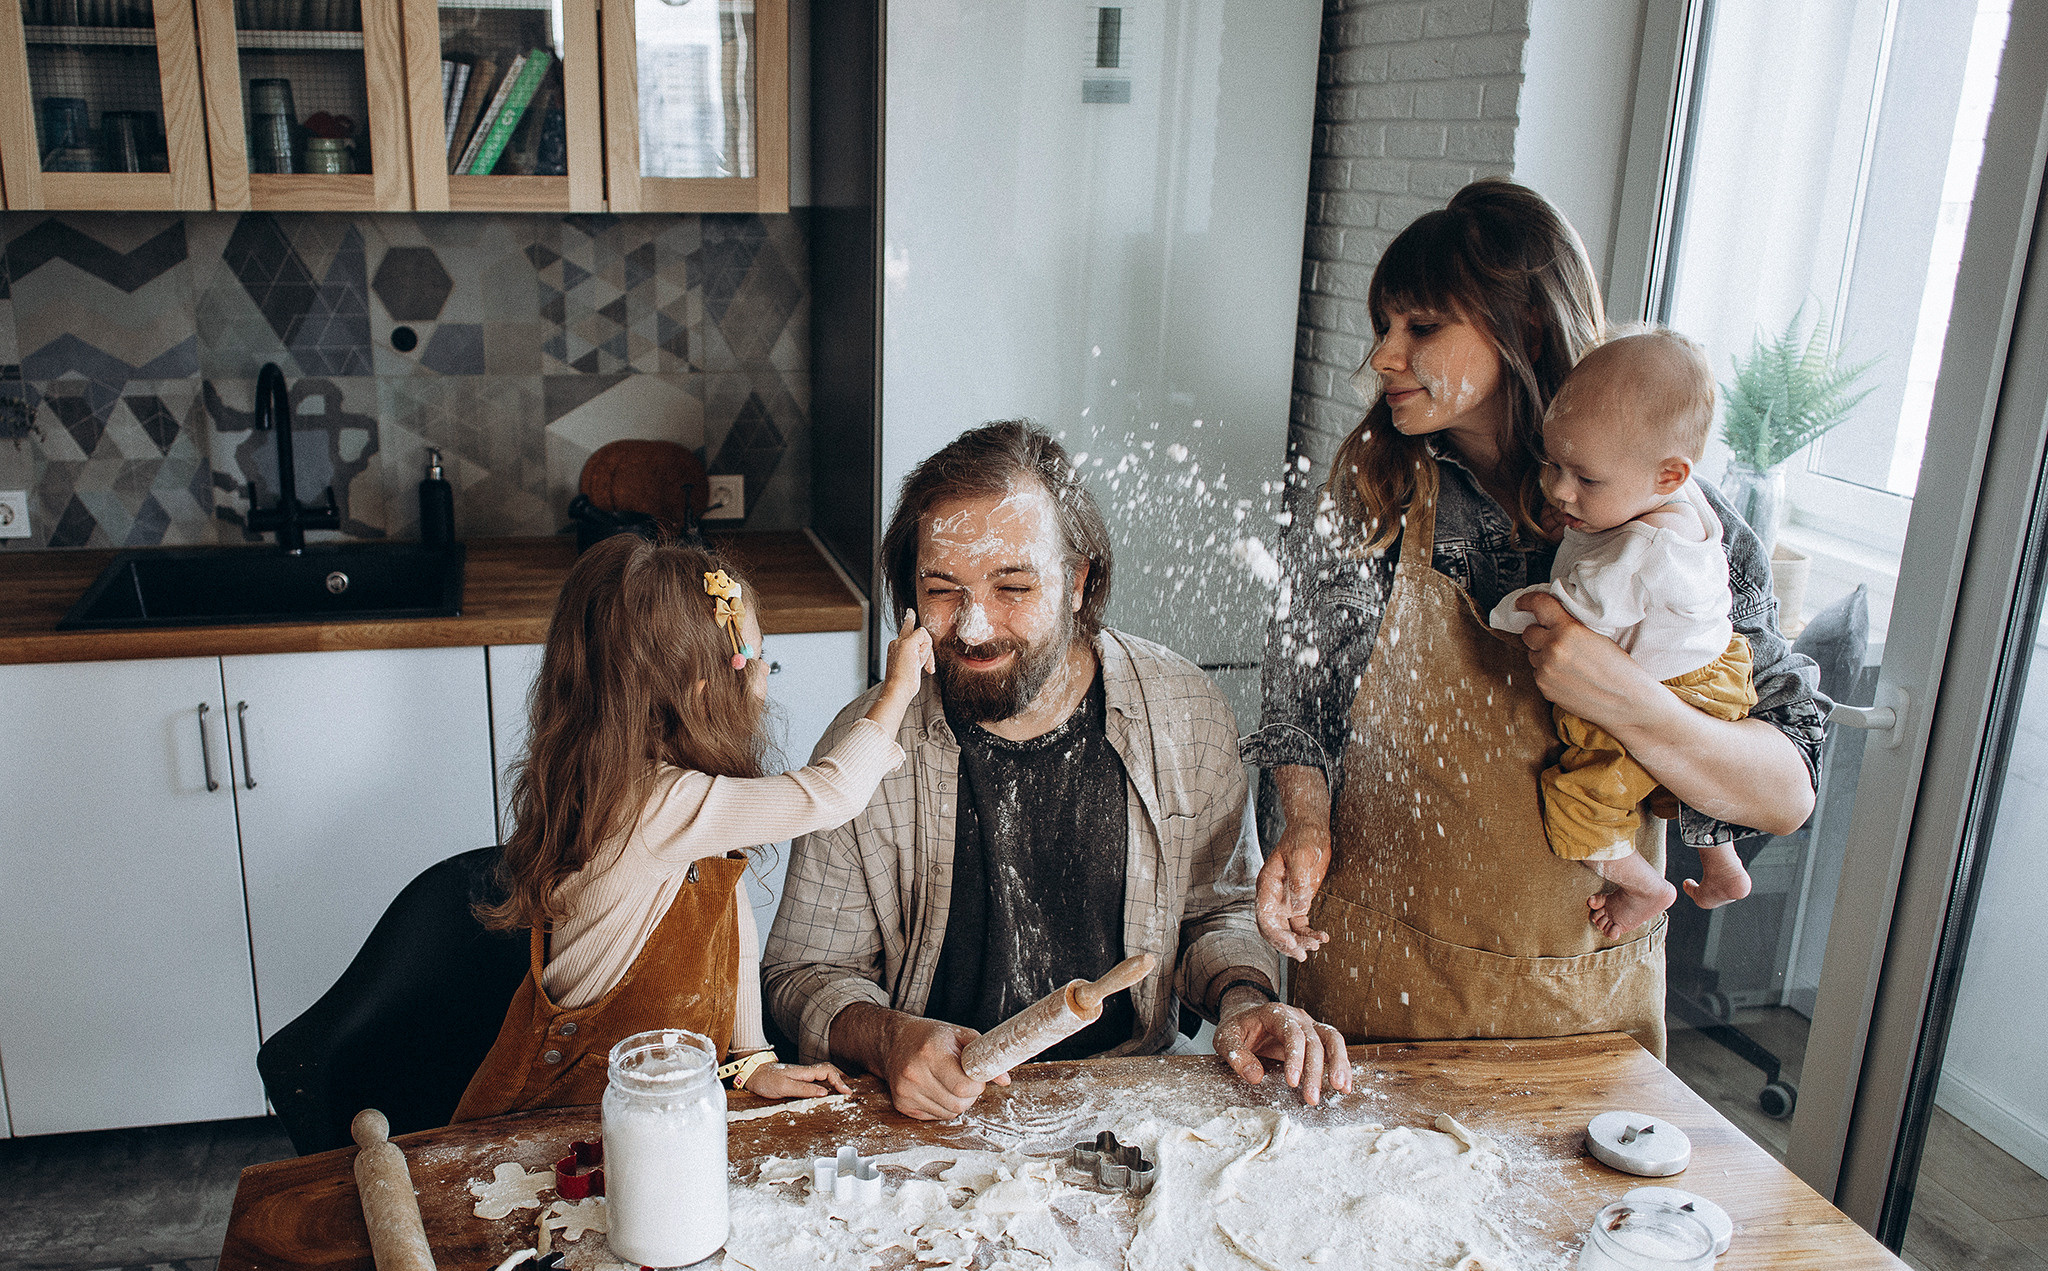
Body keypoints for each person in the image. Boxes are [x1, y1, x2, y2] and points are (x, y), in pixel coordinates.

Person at [1246, 179, 1828, 1060]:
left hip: (1578, 996)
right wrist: (1306, 820)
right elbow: (1302, 709)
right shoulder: (1374, 496)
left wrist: (1633, 702)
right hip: (1378, 985)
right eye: (1384, 327)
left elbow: (1786, 792)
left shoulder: (1681, 535)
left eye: (1422, 328)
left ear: (1522, 329)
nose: (1383, 358)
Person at [764, 419, 1350, 1121]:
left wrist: (1246, 1002)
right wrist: (890, 1039)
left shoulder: (1185, 711)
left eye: (1012, 587)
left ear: (1076, 582)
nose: (974, 626)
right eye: (944, 590)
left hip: (1127, 1101)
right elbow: (802, 973)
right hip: (933, 1116)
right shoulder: (867, 750)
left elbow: (1216, 912)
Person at [450, 534, 934, 1121]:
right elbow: (831, 793)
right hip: (551, 1115)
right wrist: (899, 690)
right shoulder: (656, 805)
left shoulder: (658, 798)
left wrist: (751, 1061)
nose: (764, 681)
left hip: (643, 1102)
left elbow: (726, 927)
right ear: (704, 693)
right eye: (759, 663)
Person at [1488, 329, 1757, 938]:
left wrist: (1499, 615)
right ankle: (1723, 862)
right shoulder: (1684, 505)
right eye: (1553, 464)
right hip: (1721, 671)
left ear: (1669, 474)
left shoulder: (1638, 549)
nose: (1559, 490)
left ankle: (1646, 887)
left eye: (1586, 479)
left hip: (1670, 687)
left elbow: (1567, 611)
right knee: (1683, 782)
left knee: (1581, 806)